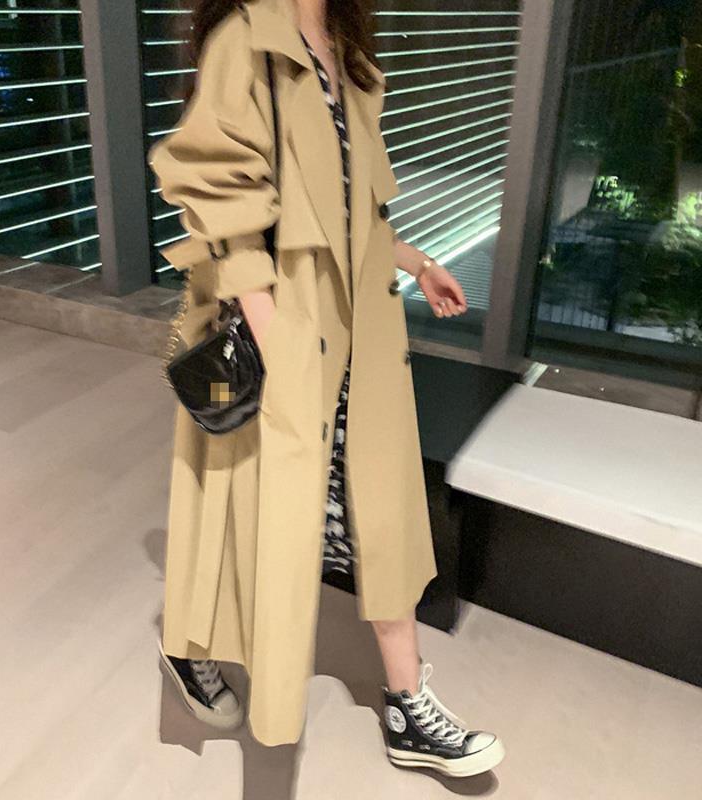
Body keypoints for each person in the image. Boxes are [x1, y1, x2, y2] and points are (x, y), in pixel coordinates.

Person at [149, 0, 504, 778]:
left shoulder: (346, 50)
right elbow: (223, 202)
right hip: (280, 324)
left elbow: (353, 203)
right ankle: (190, 645)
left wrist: (416, 262)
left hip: (357, 333)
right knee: (245, 507)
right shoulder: (247, 38)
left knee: (380, 515)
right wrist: (274, 337)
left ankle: (407, 705)